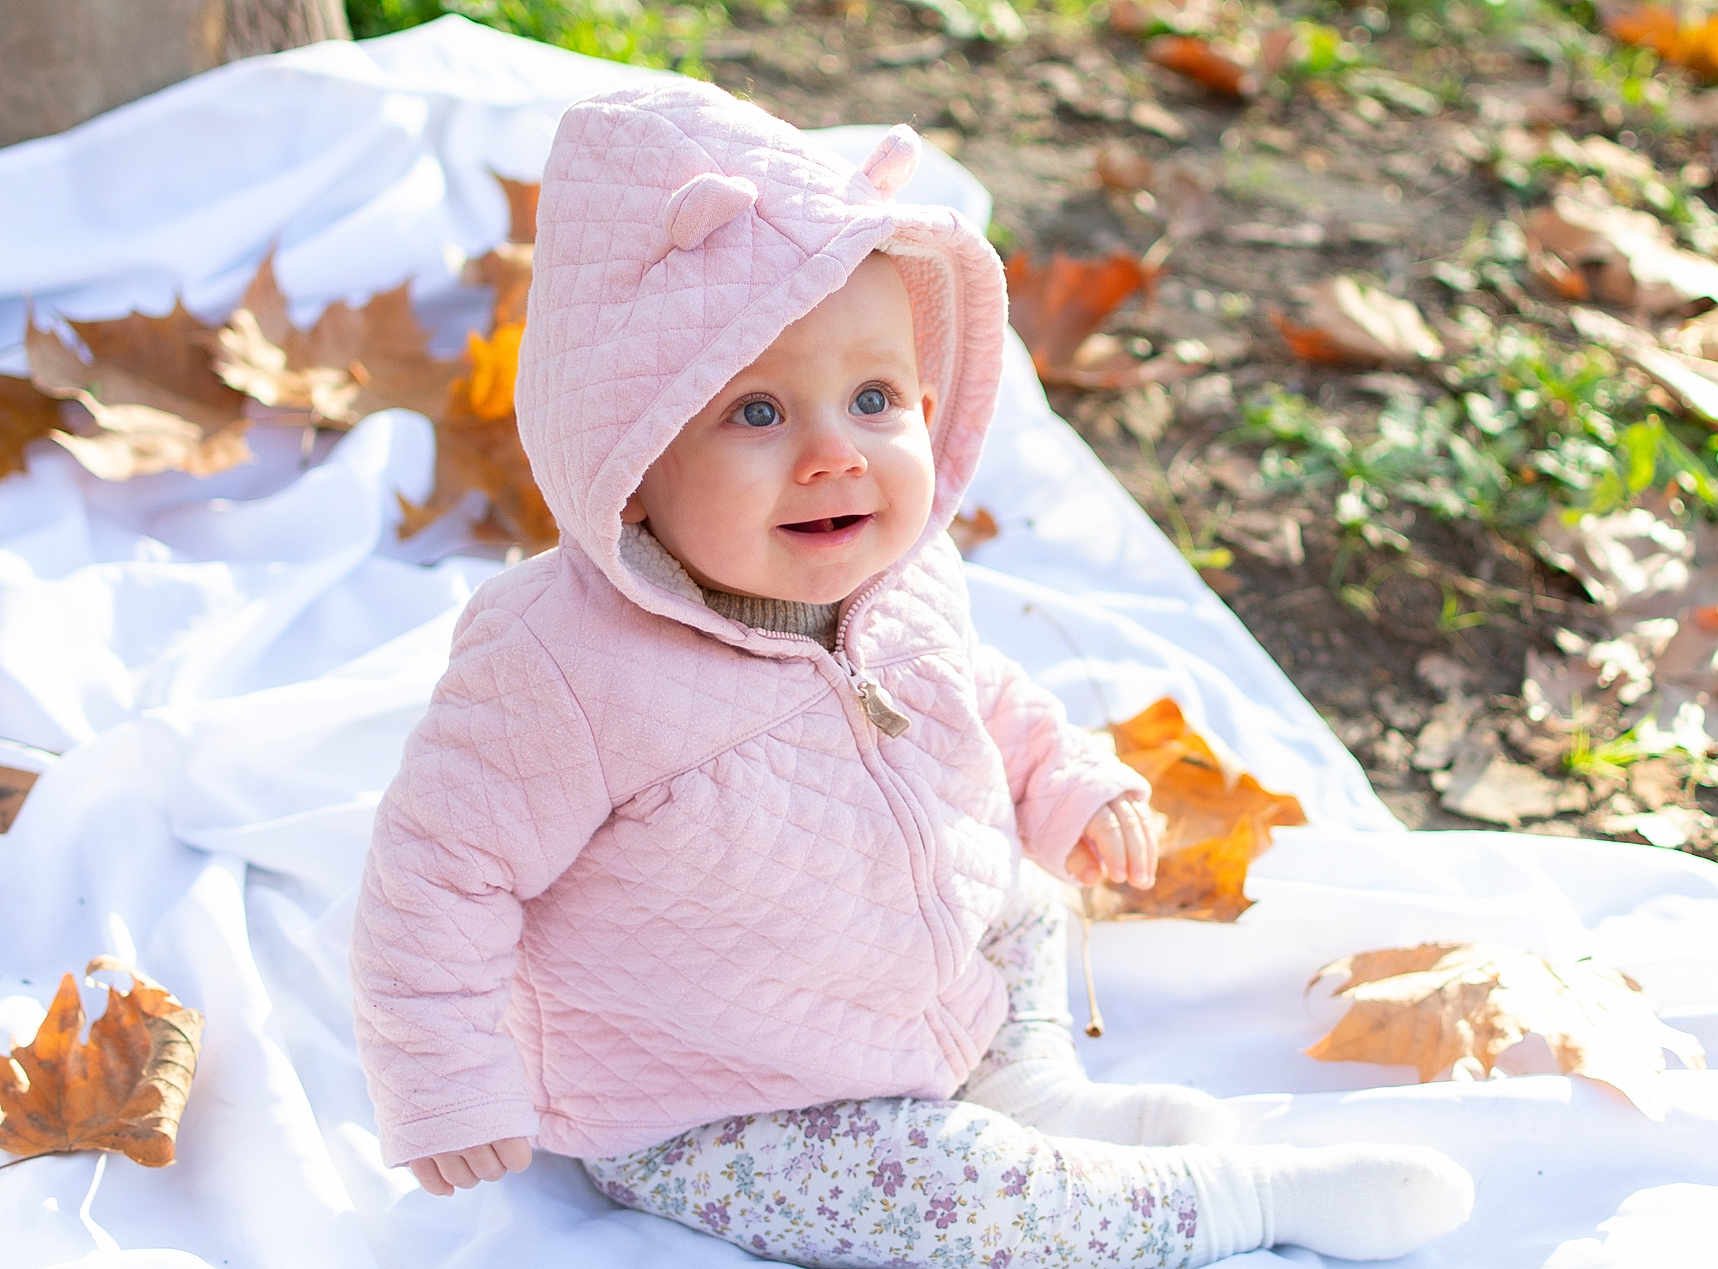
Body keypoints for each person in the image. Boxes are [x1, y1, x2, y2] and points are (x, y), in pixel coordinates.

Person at [350, 78, 1473, 1266]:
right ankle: (1234, 1206)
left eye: (875, 398)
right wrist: (445, 1082)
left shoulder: (902, 574)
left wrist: (1062, 780)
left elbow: (973, 691)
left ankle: (1040, 1093)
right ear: (630, 453)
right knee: (957, 1200)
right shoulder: (560, 670)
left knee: (1030, 906)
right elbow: (438, 873)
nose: (837, 454)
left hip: (930, 980)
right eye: (759, 412)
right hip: (723, 1096)